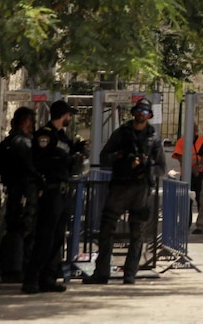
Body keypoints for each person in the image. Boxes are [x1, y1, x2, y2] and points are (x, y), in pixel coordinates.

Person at [83, 98, 166, 285]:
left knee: (137, 233)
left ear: (149, 116)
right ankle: (102, 272)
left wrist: (146, 166)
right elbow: (104, 157)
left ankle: (130, 274)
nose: (140, 115)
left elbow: (161, 167)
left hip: (141, 189)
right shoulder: (121, 134)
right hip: (120, 186)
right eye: (138, 111)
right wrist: (122, 158)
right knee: (106, 229)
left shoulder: (154, 138)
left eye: (144, 112)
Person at [23, 100, 77, 294]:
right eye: (69, 115)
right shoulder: (44, 135)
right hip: (50, 191)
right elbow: (42, 162)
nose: (70, 118)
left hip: (63, 192)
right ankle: (32, 279)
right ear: (63, 115)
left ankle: (48, 277)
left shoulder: (62, 137)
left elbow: (67, 162)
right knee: (45, 237)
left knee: (56, 238)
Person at [0, 107, 39, 284]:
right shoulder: (24, 143)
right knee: (23, 228)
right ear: (27, 121)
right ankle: (17, 269)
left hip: (13, 189)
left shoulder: (8, 141)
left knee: (14, 226)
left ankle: (12, 267)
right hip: (24, 190)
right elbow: (32, 165)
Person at [172, 123, 203, 228]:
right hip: (186, 174)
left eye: (194, 128)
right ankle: (186, 223)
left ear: (197, 130)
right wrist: (191, 169)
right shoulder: (181, 141)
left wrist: (198, 167)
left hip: (200, 174)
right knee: (186, 200)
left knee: (202, 199)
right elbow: (180, 157)